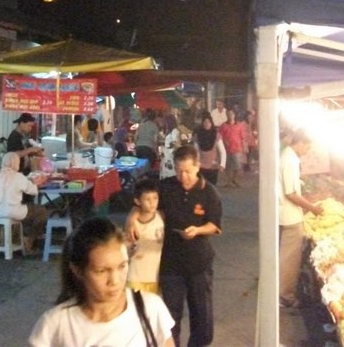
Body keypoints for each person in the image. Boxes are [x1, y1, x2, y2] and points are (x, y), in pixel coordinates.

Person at [128, 144, 222, 347]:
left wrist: (197, 230)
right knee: (170, 317)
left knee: (203, 318)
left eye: (187, 171)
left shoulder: (209, 193)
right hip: (171, 264)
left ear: (198, 167)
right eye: (179, 171)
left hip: (199, 263)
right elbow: (144, 202)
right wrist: (132, 219)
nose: (183, 176)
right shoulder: (166, 187)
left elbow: (214, 225)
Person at [29, 217, 174, 347]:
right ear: (78, 270)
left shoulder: (150, 309)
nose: (115, 281)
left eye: (122, 266)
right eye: (101, 271)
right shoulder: (55, 325)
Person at [279, 129, 323, 309]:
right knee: (290, 260)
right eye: (308, 147)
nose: (308, 151)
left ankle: (283, 293)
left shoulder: (287, 156)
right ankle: (285, 296)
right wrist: (312, 208)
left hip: (288, 213)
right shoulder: (289, 160)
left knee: (286, 257)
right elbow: (291, 193)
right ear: (301, 143)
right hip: (290, 216)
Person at [0, 151, 48, 254]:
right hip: (12, 212)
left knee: (22, 209)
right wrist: (36, 183)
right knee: (41, 211)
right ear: (16, 163)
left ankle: (13, 238)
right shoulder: (18, 177)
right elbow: (33, 191)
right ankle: (29, 239)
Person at [127, 178, 164, 295]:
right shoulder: (133, 224)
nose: (152, 203)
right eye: (147, 199)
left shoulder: (161, 217)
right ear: (138, 201)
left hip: (155, 277)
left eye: (155, 198)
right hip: (135, 277)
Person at [217, 109, 248, 189]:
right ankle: (228, 180)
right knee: (228, 166)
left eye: (231, 114)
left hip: (237, 148)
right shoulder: (223, 126)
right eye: (228, 114)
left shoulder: (239, 125)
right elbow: (220, 136)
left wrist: (244, 147)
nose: (230, 115)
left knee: (237, 166)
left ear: (234, 115)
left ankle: (234, 179)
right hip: (226, 149)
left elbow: (242, 137)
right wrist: (223, 142)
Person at [193, 113, 225, 186]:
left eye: (208, 122)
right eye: (205, 122)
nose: (207, 124)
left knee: (212, 186)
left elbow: (222, 151)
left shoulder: (216, 135)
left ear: (211, 123)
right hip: (201, 165)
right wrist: (196, 163)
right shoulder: (198, 135)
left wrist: (222, 164)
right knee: (201, 186)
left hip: (213, 165)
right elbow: (196, 151)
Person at [8, 112, 43, 176]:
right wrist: (31, 149)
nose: (30, 128)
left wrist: (36, 152)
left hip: (25, 171)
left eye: (31, 126)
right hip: (17, 172)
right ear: (21, 123)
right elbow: (14, 154)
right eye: (29, 126)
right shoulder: (14, 136)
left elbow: (26, 151)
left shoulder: (24, 136)